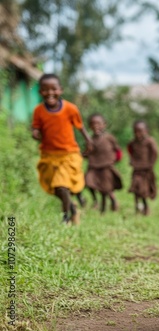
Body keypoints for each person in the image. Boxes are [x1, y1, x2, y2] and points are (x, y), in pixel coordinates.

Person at [31, 73, 92, 224]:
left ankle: (65, 217)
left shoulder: (70, 109)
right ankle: (72, 206)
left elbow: (80, 127)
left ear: (61, 90)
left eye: (54, 89)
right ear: (40, 92)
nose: (50, 93)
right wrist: (35, 133)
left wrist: (89, 142)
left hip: (68, 154)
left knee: (62, 186)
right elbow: (35, 127)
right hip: (49, 155)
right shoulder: (38, 111)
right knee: (54, 188)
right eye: (45, 89)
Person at [84, 113, 123, 213]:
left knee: (106, 188)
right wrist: (84, 153)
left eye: (98, 123)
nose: (96, 126)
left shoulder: (109, 137)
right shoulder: (90, 139)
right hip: (93, 166)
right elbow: (88, 152)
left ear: (104, 125)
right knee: (88, 181)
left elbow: (117, 149)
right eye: (93, 124)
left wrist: (115, 159)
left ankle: (108, 204)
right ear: (89, 126)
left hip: (106, 166)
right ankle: (95, 201)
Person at [127, 120, 158, 215]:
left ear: (146, 131)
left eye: (140, 131)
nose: (138, 134)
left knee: (143, 191)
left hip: (146, 171)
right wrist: (132, 161)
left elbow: (155, 153)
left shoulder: (149, 141)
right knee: (135, 189)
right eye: (135, 131)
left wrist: (150, 164)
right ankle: (137, 207)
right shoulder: (133, 142)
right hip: (137, 170)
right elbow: (130, 151)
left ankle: (145, 207)